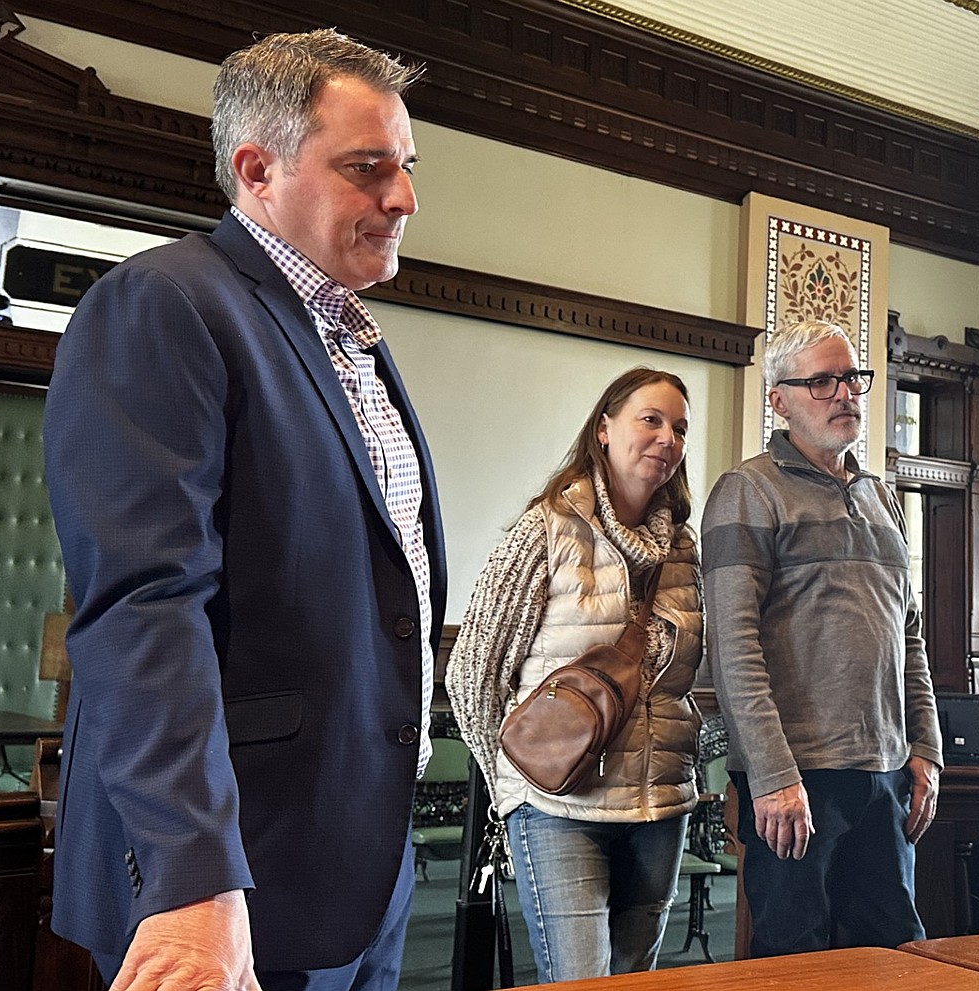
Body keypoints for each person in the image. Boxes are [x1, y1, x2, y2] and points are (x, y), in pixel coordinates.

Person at [42, 29, 446, 991]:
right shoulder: (164, 305)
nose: (404, 197)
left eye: (407, 166)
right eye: (367, 167)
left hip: (360, 867)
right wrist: (193, 878)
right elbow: (144, 607)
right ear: (256, 168)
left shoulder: (352, 335)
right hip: (227, 882)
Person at [447, 367, 704, 983]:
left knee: (634, 977)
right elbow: (470, 675)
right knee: (579, 980)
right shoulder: (545, 529)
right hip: (560, 808)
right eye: (651, 419)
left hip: (661, 806)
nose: (667, 438)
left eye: (680, 428)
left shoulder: (685, 550)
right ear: (604, 429)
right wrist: (512, 787)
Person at [701, 319, 942, 957]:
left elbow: (908, 638)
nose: (845, 394)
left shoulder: (881, 497)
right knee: (793, 962)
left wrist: (926, 750)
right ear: (777, 398)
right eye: (822, 382)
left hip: (886, 775)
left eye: (852, 378)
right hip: (796, 778)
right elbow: (733, 648)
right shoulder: (747, 491)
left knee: (894, 956)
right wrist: (771, 776)